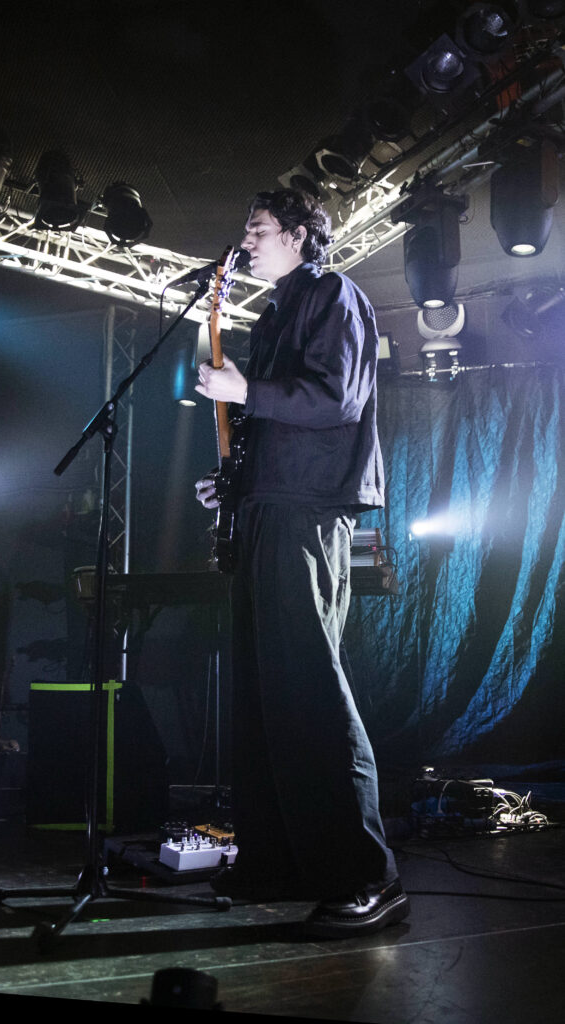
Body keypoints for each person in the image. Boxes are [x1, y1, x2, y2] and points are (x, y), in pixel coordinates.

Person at [194, 188, 409, 938]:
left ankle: (366, 877)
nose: (245, 241)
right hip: (267, 506)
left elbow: (335, 401)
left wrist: (243, 389)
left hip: (308, 511)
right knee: (263, 696)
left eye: (255, 229)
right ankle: (280, 863)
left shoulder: (332, 295)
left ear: (296, 234)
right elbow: (276, 421)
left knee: (310, 687)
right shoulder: (275, 312)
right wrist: (232, 483)